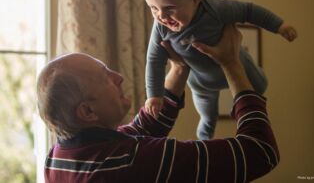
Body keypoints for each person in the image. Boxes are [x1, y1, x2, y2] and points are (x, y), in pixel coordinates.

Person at [37, 24, 279, 182]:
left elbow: (140, 130)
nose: (119, 78)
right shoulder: (134, 162)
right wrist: (231, 64)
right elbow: (260, 151)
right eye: (106, 77)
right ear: (88, 111)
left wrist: (179, 68)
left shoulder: (58, 157)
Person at [143, 0, 297, 139]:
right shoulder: (160, 27)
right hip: (201, 82)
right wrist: (154, 95)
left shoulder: (216, 9)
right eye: (153, 8)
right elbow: (154, 60)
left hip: (236, 61)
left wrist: (279, 26)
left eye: (169, 8)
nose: (161, 16)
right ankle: (205, 136)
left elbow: (249, 11)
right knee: (208, 115)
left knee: (260, 86)